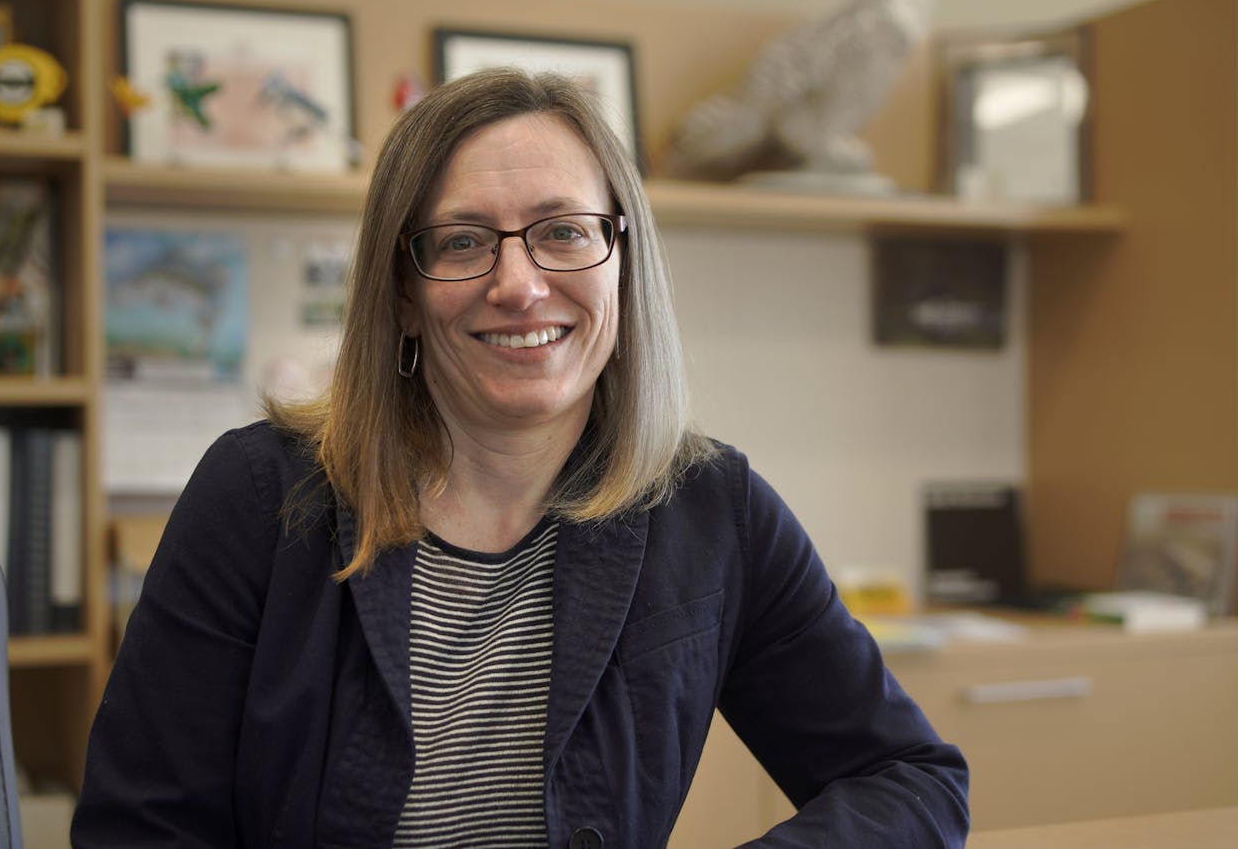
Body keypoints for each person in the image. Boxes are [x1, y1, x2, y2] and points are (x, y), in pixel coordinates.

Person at [72, 68, 969, 848]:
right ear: (403, 295)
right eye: (462, 241)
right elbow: (140, 828)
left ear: (623, 260)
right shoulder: (262, 493)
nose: (519, 284)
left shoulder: (711, 508)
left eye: (563, 231)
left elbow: (912, 778)